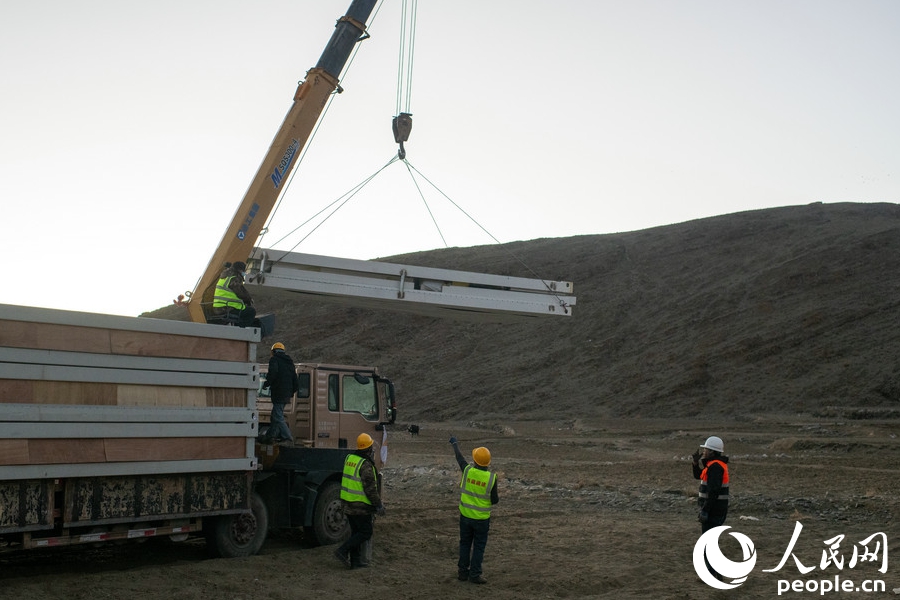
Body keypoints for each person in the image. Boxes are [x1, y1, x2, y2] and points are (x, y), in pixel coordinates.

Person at [449, 435, 498, 585]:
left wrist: (455, 444)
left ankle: (462, 573)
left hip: (465, 516)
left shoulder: (468, 471)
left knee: (464, 544)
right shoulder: (491, 478)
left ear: (475, 461)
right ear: (488, 463)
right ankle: (475, 574)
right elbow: (494, 500)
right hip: (482, 519)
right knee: (478, 547)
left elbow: (460, 459)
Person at [334, 433, 385, 569]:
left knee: (356, 532)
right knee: (365, 532)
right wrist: (379, 505)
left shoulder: (350, 458)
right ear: (368, 449)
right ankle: (342, 550)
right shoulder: (366, 465)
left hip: (347, 504)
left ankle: (355, 563)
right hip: (360, 506)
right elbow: (370, 490)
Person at [692, 435, 730, 580]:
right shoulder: (713, 465)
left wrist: (706, 510)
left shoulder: (715, 467)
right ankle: (714, 574)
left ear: (712, 451)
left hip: (714, 510)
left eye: (706, 449)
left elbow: (713, 491)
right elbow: (698, 476)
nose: (704, 451)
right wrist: (695, 463)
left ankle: (712, 574)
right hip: (716, 509)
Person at [260, 342, 298, 444]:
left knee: (277, 416)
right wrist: (292, 391)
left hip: (278, 393)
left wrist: (266, 384)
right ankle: (270, 436)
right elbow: (295, 378)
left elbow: (273, 373)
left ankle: (288, 437)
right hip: (286, 393)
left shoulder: (274, 360)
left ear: (273, 351)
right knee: (275, 415)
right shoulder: (289, 362)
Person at [211, 261, 257, 327]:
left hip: (218, 307)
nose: (244, 273)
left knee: (244, 311)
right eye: (243, 271)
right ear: (240, 270)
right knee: (251, 312)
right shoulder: (234, 278)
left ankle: (238, 327)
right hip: (227, 308)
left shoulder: (225, 277)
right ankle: (242, 330)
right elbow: (240, 293)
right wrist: (248, 299)